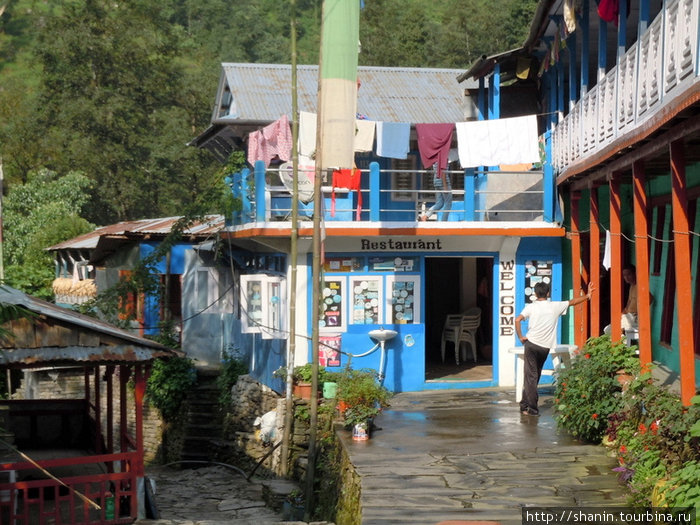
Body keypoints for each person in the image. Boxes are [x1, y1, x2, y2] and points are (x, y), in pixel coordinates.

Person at [515, 281, 593, 416]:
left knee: (530, 376)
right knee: (535, 375)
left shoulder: (531, 307)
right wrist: (587, 296)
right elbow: (573, 302)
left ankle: (531, 409)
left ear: (535, 294)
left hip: (531, 344)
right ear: (548, 293)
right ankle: (524, 404)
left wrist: (521, 336)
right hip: (545, 347)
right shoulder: (555, 306)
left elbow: (517, 320)